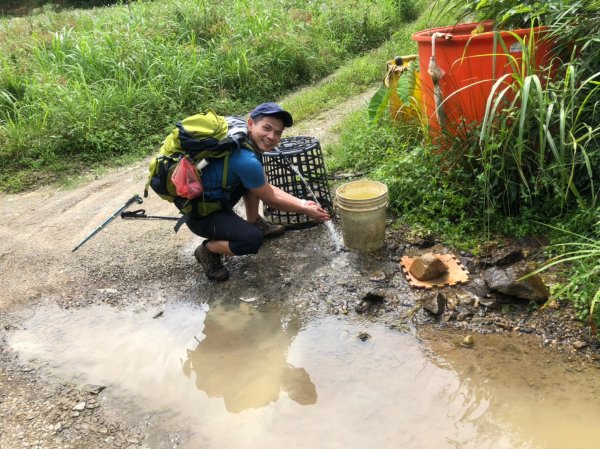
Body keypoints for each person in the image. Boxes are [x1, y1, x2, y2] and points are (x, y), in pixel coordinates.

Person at [188, 102, 330, 281]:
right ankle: (208, 250)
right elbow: (271, 199)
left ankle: (254, 221)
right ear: (250, 124)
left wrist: (302, 203)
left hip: (212, 200)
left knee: (255, 180)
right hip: (201, 215)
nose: (272, 136)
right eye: (267, 128)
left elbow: (263, 187)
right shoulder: (245, 158)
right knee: (251, 241)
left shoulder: (244, 139)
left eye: (278, 132)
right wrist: (305, 208)